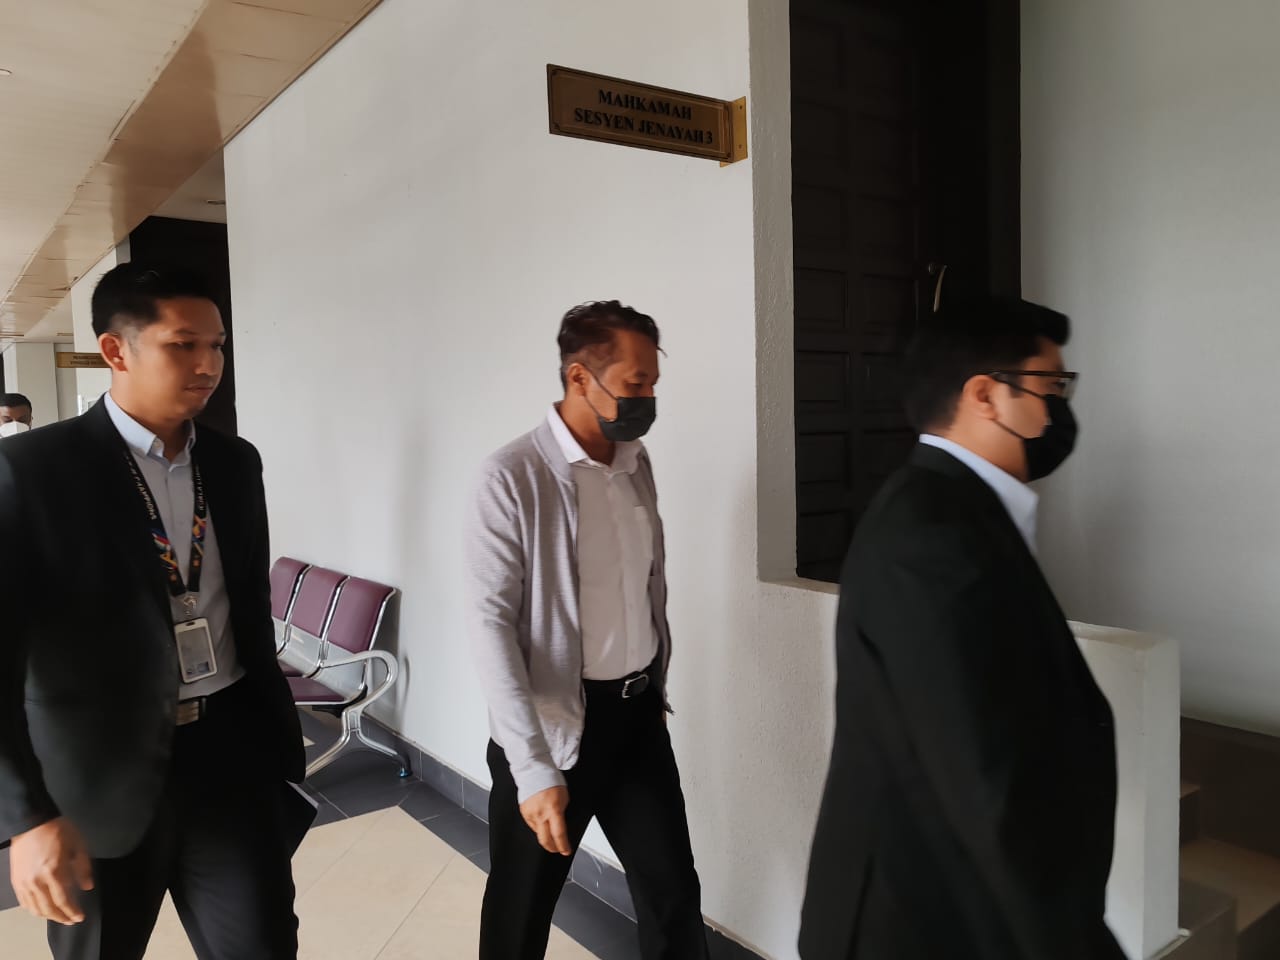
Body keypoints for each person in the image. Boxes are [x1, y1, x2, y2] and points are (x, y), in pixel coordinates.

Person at [799, 297, 1124, 960]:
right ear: (985, 396)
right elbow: (987, 779)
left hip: (956, 902)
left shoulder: (955, 509)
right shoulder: (932, 536)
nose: (1058, 409)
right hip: (912, 923)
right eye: (1051, 385)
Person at [0, 263, 307, 960]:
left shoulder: (233, 463)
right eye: (183, 345)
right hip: (95, 779)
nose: (209, 365)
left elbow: (247, 608)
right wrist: (25, 817)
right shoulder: (32, 472)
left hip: (230, 757)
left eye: (217, 345)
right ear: (116, 350)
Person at [466, 300, 709, 960]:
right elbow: (491, 626)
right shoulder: (511, 475)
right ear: (580, 377)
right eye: (635, 383)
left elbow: (641, 589)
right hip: (553, 734)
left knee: (672, 896)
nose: (647, 398)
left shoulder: (636, 463)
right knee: (520, 914)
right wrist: (532, 767)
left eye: (653, 383)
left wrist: (654, 684)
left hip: (637, 720)